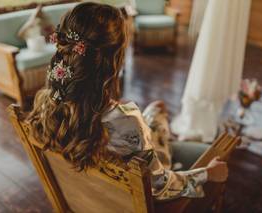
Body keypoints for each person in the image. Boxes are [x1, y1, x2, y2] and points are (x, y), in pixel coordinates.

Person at [27, 2, 228, 201]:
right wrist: (208, 174)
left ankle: (160, 133)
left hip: (86, 197)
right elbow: (158, 187)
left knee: (157, 109)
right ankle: (167, 145)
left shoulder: (45, 101)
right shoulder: (126, 123)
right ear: (115, 59)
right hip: (137, 196)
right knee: (221, 153)